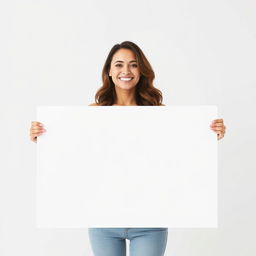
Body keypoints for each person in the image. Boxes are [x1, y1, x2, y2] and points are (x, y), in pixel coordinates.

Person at [29, 41, 226, 256]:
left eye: (133, 65)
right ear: (109, 71)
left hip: (150, 220)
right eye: (119, 64)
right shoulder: (92, 114)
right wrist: (43, 138)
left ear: (141, 70)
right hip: (103, 220)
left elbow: (182, 152)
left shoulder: (160, 114)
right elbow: (72, 154)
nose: (126, 71)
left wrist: (209, 135)